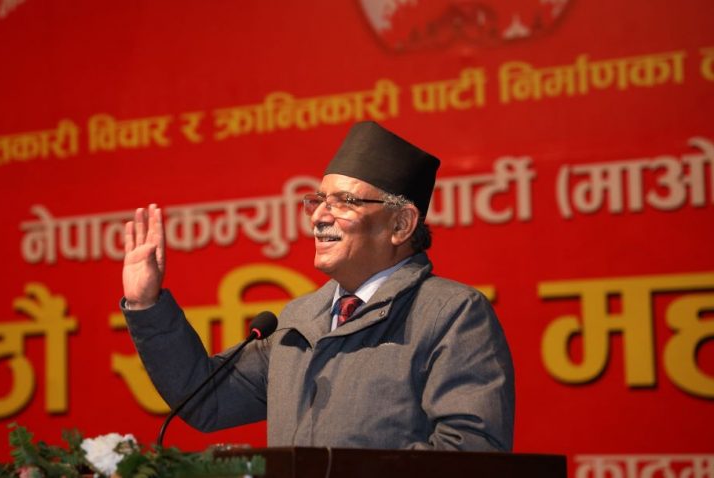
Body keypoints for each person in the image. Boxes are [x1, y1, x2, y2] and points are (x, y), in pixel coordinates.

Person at [121, 121, 515, 451]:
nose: (319, 217)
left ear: (400, 224)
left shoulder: (451, 313)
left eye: (344, 202)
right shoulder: (301, 320)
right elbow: (206, 398)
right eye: (318, 200)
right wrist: (146, 304)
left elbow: (470, 451)